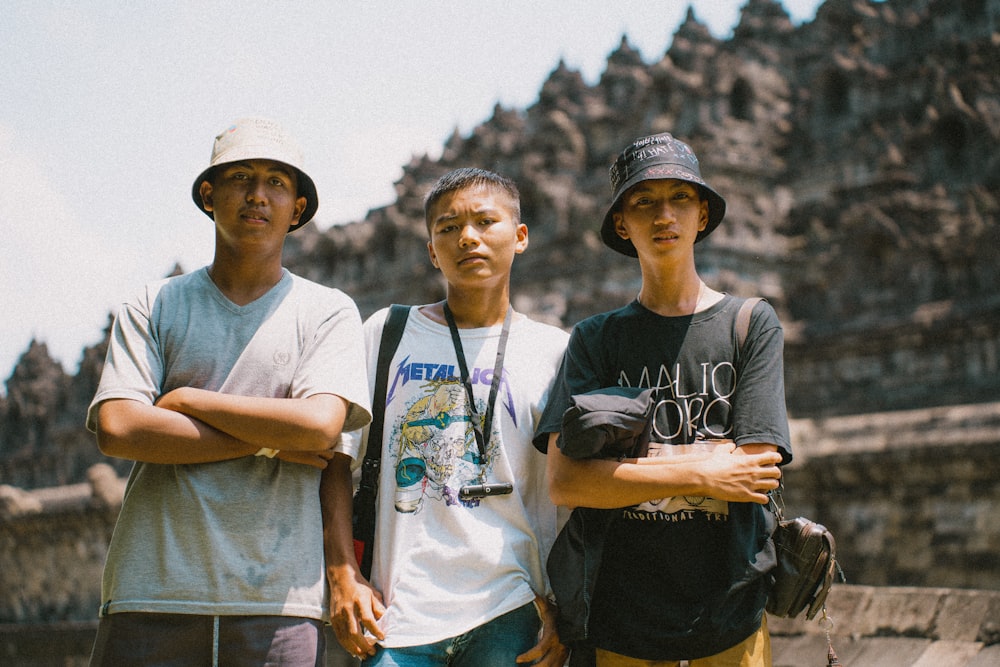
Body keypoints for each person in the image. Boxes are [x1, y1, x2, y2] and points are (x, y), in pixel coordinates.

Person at [86, 117, 372, 666]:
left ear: (299, 209)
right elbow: (120, 428)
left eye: (277, 183)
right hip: (153, 592)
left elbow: (319, 429)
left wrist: (186, 402)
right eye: (240, 177)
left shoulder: (327, 311)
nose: (257, 195)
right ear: (209, 195)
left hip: (278, 599)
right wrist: (272, 440)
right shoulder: (154, 304)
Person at [534, 132, 791, 666]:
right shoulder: (595, 339)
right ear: (622, 224)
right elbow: (565, 482)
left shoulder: (750, 324)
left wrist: (621, 470)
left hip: (731, 618)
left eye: (679, 197)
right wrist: (705, 470)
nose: (663, 215)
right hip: (620, 622)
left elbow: (756, 472)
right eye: (643, 202)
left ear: (703, 214)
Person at [328, 168, 570, 667]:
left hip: (512, 611)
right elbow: (337, 460)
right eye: (448, 227)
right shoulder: (388, 333)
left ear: (520, 237)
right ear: (432, 250)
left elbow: (570, 491)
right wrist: (343, 575)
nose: (468, 237)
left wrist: (567, 606)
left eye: (485, 221)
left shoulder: (555, 352)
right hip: (397, 616)